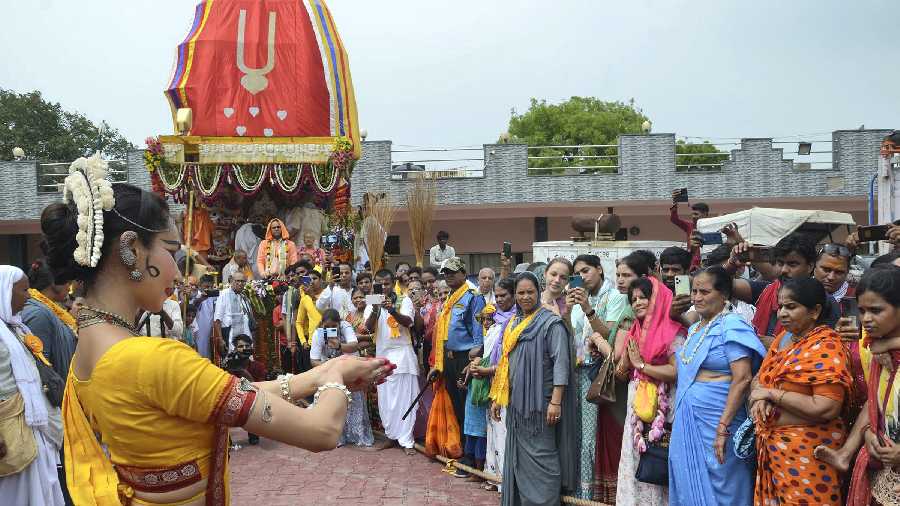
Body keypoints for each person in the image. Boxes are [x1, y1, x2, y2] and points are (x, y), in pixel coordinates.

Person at [40, 168, 392, 505]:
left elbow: (212, 393)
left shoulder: (89, 346)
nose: (178, 271)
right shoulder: (149, 357)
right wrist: (335, 376)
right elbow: (320, 431)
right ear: (131, 249)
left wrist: (316, 377)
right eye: (171, 250)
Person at [668, 266, 767, 506]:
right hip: (688, 417)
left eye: (704, 292)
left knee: (724, 481)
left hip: (720, 420)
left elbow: (742, 379)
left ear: (724, 294)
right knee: (686, 477)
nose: (697, 297)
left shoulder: (732, 325)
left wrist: (723, 428)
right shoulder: (696, 328)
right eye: (694, 291)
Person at [749, 277, 851, 505]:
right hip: (774, 450)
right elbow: (760, 379)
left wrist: (771, 395)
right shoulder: (783, 339)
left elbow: (826, 407)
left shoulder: (827, 346)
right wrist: (761, 398)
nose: (782, 313)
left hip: (809, 452)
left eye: (791, 307)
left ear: (815, 311)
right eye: (781, 307)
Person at [489, 272, 577, 506]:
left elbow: (561, 364)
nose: (525, 297)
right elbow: (505, 364)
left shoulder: (551, 323)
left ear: (539, 292)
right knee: (518, 460)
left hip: (541, 406)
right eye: (521, 293)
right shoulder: (513, 323)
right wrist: (498, 398)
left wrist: (555, 402)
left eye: (530, 292)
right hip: (517, 406)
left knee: (543, 458)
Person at [614, 276, 684, 506]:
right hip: (637, 407)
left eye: (643, 297)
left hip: (664, 408)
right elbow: (622, 374)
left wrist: (642, 365)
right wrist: (626, 364)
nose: (637, 303)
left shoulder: (674, 332)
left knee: (658, 459)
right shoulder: (634, 331)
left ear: (657, 299)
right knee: (635, 457)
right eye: (633, 299)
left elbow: (676, 372)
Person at [0, 265, 66, 505]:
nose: (28, 296)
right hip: (10, 434)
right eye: (23, 290)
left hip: (33, 428)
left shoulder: (16, 328)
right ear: (5, 292)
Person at [566, 254, 627, 500]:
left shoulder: (615, 296)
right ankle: (579, 490)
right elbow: (572, 335)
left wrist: (587, 309)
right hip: (578, 372)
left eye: (586, 270)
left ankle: (591, 495)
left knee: (592, 437)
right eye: (577, 273)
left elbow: (610, 335)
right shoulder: (579, 298)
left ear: (600, 269)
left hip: (601, 375)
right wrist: (568, 309)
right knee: (578, 434)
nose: (581, 277)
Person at [839, 266, 900, 505]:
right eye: (862, 310)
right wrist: (869, 433)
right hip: (885, 472)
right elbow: (877, 404)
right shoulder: (877, 352)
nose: (865, 319)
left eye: (876, 310)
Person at [427, 258, 485, 440]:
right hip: (448, 358)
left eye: (453, 272)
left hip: (464, 358)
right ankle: (457, 444)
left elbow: (479, 332)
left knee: (465, 405)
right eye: (445, 272)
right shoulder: (449, 298)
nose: (448, 275)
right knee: (453, 404)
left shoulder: (473, 297)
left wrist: (474, 360)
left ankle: (469, 449)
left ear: (464, 273)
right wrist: (438, 363)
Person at [311, 309, 374, 448]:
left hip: (349, 367)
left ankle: (358, 435)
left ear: (339, 323)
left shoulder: (345, 326)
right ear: (322, 324)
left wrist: (339, 345)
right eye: (326, 327)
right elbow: (314, 360)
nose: (330, 329)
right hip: (329, 369)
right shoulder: (318, 334)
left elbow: (354, 346)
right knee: (334, 402)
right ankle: (337, 436)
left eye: (333, 326)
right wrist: (330, 367)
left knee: (354, 401)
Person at [365, 289, 417, 454]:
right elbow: (367, 328)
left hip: (404, 357)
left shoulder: (404, 300)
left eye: (387, 283)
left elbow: (408, 322)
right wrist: (375, 309)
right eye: (380, 284)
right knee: (385, 402)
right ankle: (391, 436)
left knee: (406, 401)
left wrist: (392, 310)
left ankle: (407, 441)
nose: (383, 287)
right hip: (383, 357)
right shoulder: (372, 300)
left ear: (392, 284)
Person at [481, 277, 516, 492]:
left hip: (508, 381)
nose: (500, 299)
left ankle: (505, 481)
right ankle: (493, 476)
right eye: (497, 296)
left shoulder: (515, 319)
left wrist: (489, 370)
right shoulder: (495, 318)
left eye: (504, 295)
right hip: (492, 381)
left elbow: (509, 357)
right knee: (493, 427)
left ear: (513, 295)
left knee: (504, 428)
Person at [22, 259, 77, 380]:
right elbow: (42, 368)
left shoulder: (52, 308)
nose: (69, 287)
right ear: (54, 283)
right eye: (67, 282)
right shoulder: (38, 314)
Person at [213, 271, 253, 354]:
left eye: (242, 281)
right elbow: (217, 320)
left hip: (245, 337)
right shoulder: (224, 294)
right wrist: (221, 339)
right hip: (230, 336)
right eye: (237, 281)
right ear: (231, 281)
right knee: (232, 358)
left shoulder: (244, 297)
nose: (240, 283)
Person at [670, 195, 709, 272]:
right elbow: (674, 219)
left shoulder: (712, 226)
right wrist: (674, 208)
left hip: (707, 262)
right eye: (692, 214)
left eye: (696, 214)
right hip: (692, 263)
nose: (693, 217)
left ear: (705, 214)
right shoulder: (689, 226)